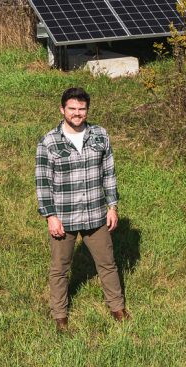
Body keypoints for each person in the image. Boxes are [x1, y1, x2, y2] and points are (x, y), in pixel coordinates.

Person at [36, 87, 129, 333]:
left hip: (96, 214)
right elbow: (43, 183)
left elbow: (109, 173)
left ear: (87, 110)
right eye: (72, 109)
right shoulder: (49, 142)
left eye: (82, 109)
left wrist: (112, 206)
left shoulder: (100, 135)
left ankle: (117, 308)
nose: (77, 114)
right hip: (63, 218)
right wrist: (51, 216)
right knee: (60, 268)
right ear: (62, 110)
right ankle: (60, 315)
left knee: (107, 263)